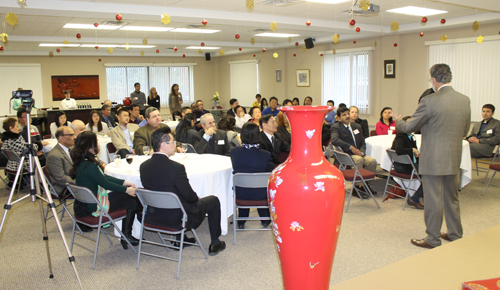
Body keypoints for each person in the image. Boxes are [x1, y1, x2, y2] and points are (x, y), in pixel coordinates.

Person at [391, 63, 471, 249]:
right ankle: (455, 233)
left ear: (434, 79)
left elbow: (409, 127)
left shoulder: (429, 101)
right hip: (453, 157)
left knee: (433, 199)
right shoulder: (464, 100)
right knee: (451, 198)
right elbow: (465, 130)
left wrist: (398, 120)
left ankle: (432, 239)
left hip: (433, 159)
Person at [139, 127, 226, 255]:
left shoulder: (143, 166)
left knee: (177, 198)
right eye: (173, 142)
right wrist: (196, 197)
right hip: (177, 218)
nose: (175, 145)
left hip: (154, 214)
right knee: (213, 200)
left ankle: (180, 239)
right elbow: (190, 197)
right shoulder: (176, 168)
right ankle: (215, 243)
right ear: (164, 145)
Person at [70, 131, 141, 250]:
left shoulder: (83, 162)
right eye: (96, 142)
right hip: (94, 205)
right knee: (131, 199)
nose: (98, 144)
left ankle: (128, 234)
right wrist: (126, 190)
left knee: (130, 198)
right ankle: (127, 234)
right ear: (90, 147)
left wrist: (124, 183)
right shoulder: (90, 165)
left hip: (86, 203)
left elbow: (102, 177)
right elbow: (105, 183)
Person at [230, 122, 272, 229]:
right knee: (259, 185)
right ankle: (265, 219)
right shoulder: (265, 154)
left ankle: (241, 220)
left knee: (245, 184)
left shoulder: (234, 152)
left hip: (241, 193)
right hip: (260, 194)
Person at [330, 107, 377, 196]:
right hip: (347, 154)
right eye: (344, 115)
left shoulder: (356, 126)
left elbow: (363, 141)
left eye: (348, 114)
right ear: (339, 118)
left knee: (372, 161)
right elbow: (334, 140)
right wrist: (350, 147)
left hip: (359, 153)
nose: (347, 116)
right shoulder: (336, 127)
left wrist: (362, 152)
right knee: (359, 160)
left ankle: (366, 185)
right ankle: (357, 187)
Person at [391, 116, 424, 210]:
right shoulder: (401, 136)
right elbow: (399, 150)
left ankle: (419, 195)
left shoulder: (410, 136)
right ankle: (415, 198)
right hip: (403, 166)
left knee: (428, 172)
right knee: (428, 176)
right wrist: (412, 149)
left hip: (408, 164)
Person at [2, 117, 44, 188]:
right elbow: (27, 147)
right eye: (17, 126)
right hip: (19, 165)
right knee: (43, 160)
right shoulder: (12, 140)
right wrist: (39, 144)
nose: (19, 128)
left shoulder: (7, 139)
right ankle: (40, 184)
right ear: (11, 128)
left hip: (13, 164)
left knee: (40, 157)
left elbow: (22, 149)